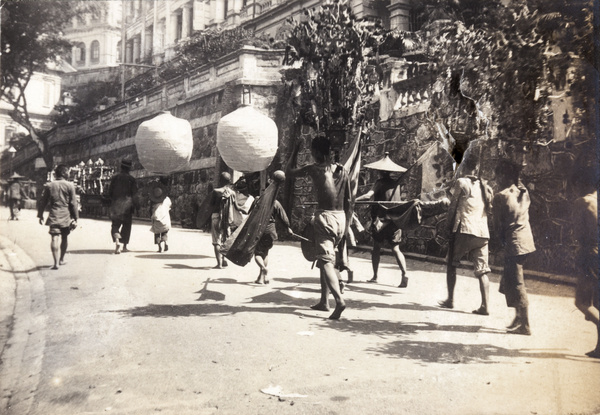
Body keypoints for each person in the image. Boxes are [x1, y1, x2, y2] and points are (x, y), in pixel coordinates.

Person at [287, 135, 352, 320]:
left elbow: (289, 172)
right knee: (324, 259)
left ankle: (339, 300)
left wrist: (294, 150)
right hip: (340, 218)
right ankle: (325, 301)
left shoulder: (314, 169)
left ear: (315, 152)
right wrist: (346, 227)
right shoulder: (343, 170)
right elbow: (349, 201)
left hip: (325, 218)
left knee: (326, 263)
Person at [439, 155, 493, 315]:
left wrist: (447, 229)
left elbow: (452, 208)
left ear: (463, 167)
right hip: (482, 233)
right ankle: (485, 306)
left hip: (464, 230)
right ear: (476, 168)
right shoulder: (485, 186)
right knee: (482, 270)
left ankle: (450, 300)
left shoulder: (461, 183)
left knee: (451, 263)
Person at [492, 161, 536, 335]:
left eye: (498, 175)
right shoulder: (523, 193)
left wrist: (501, 242)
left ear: (503, 176)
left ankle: (525, 325)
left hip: (514, 243)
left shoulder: (500, 196)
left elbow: (497, 226)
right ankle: (518, 318)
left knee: (517, 284)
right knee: (509, 280)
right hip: (526, 242)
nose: (496, 179)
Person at [355, 153, 408, 287]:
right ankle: (404, 273)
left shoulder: (379, 183)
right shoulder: (396, 184)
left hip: (382, 220)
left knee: (376, 248)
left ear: (380, 172)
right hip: (395, 220)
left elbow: (368, 196)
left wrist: (354, 200)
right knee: (396, 248)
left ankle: (375, 276)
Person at [571, 167, 599, 358]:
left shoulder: (582, 202)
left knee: (581, 302)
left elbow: (577, 232)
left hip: (589, 253)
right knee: (596, 302)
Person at [37, 164, 79, 270]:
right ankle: (61, 259)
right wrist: (76, 217)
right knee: (64, 237)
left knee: (54, 237)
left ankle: (55, 263)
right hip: (66, 216)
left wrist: (40, 215)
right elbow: (73, 203)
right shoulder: (70, 186)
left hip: (54, 215)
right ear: (65, 173)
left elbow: (43, 202)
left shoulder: (49, 185)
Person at [253, 198, 292, 284]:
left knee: (257, 253)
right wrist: (288, 227)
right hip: (270, 230)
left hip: (259, 229)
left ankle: (263, 268)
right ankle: (261, 278)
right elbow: (283, 217)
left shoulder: (257, 200)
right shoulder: (275, 202)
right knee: (265, 252)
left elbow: (250, 215)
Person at [108, 158, 139, 254]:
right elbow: (135, 194)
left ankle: (117, 240)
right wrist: (137, 206)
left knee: (115, 224)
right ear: (129, 168)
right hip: (127, 205)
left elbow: (110, 192)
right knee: (127, 226)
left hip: (116, 204)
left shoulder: (115, 178)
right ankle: (124, 246)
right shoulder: (131, 179)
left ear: (121, 167)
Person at [210, 171, 234, 268]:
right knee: (225, 239)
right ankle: (224, 261)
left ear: (220, 180)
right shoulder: (232, 193)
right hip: (227, 218)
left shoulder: (216, 191)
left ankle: (219, 264)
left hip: (216, 216)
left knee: (216, 241)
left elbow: (211, 205)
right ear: (229, 181)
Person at [149, 178, 171, 253]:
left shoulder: (153, 202)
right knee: (165, 231)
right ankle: (165, 242)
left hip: (156, 218)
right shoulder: (167, 199)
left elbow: (151, 210)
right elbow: (170, 206)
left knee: (157, 233)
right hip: (165, 219)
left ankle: (159, 247)